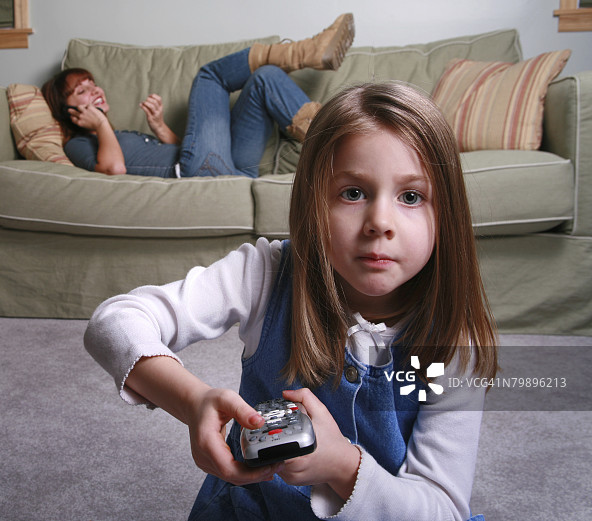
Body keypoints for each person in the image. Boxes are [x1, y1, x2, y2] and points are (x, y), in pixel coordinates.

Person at [84, 82, 498, 520]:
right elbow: (115, 320)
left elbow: (442, 510)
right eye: (352, 193)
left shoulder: (457, 344)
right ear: (313, 202)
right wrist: (193, 402)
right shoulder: (267, 272)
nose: (380, 222)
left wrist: (345, 467)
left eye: (410, 197)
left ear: (446, 214)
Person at [42, 14, 355, 178]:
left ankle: (338, 141)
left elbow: (185, 150)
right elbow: (114, 171)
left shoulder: (113, 134)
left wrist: (160, 127)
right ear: (66, 110)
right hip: (202, 172)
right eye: (81, 91)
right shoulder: (78, 145)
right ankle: (303, 51)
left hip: (231, 168)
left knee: (265, 77)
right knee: (210, 75)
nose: (95, 89)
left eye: (92, 83)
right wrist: (101, 127)